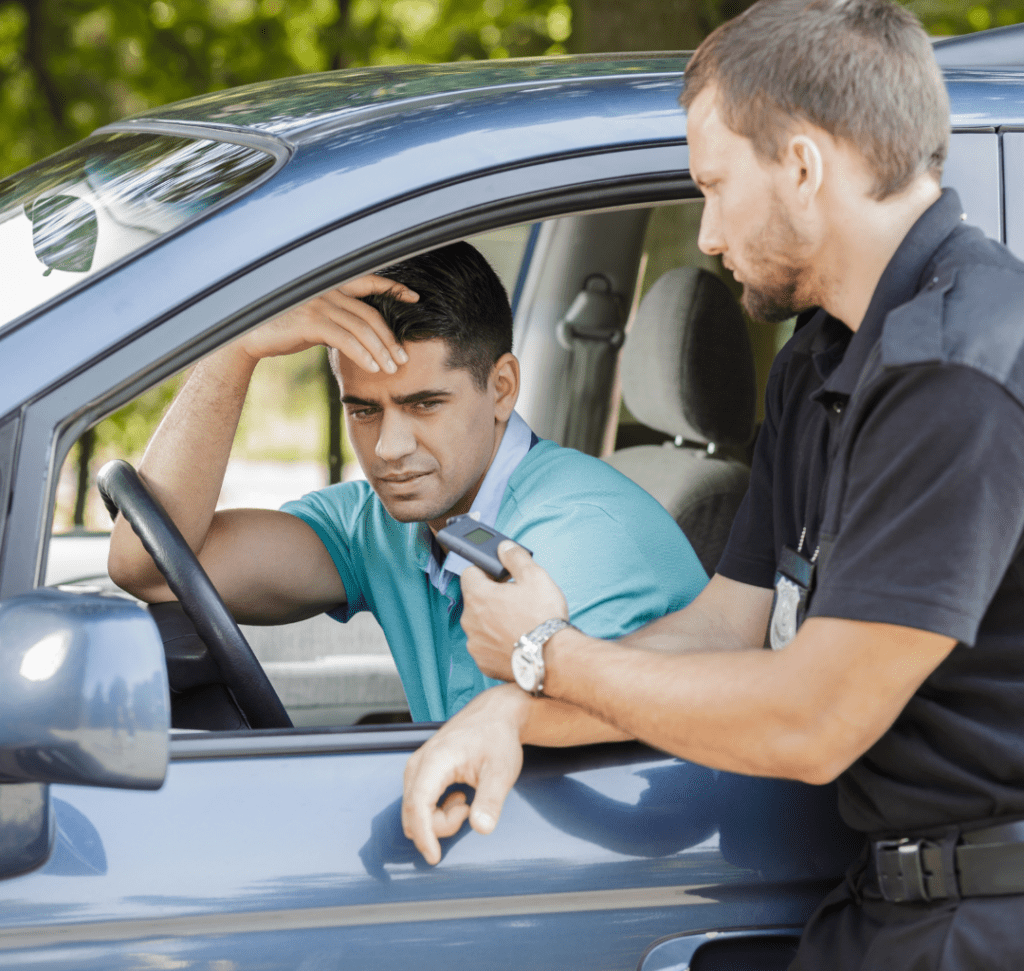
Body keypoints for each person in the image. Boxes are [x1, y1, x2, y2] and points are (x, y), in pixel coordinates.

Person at [400, 2, 1024, 968]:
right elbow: (725, 624)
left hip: (984, 923)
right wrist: (516, 708)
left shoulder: (958, 372)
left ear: (804, 167)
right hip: (880, 905)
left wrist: (543, 654)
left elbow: (815, 720)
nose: (706, 232)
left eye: (715, 186)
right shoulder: (821, 361)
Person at [108, 241, 707, 723]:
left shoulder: (585, 540)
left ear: (501, 388)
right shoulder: (382, 521)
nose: (389, 450)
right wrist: (234, 351)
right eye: (364, 410)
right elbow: (150, 567)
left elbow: (533, 788)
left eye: (424, 404)